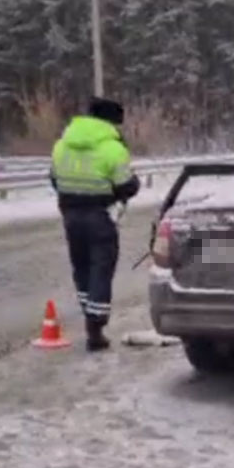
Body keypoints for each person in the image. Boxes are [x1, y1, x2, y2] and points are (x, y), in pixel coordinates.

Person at [50, 97, 139, 351]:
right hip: (101, 216)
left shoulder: (62, 145)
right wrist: (134, 184)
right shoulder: (113, 149)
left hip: (70, 215)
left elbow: (54, 179)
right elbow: (126, 186)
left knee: (82, 268)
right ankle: (95, 328)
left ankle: (88, 314)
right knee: (101, 268)